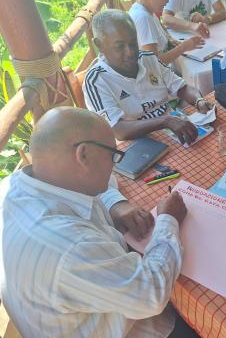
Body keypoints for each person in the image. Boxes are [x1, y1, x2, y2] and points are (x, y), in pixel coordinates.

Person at [0, 107, 192, 337]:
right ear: (83, 155)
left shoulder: (27, 182)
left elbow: (103, 182)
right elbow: (152, 293)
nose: (114, 164)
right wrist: (168, 219)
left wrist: (116, 205)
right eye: (113, 155)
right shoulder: (71, 246)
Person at [82, 9, 213, 143]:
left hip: (172, 132)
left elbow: (181, 87)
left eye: (133, 42)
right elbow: (119, 130)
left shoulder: (148, 59)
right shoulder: (96, 81)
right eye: (119, 47)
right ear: (99, 45)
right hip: (136, 145)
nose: (130, 52)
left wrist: (199, 101)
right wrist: (165, 121)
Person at [129, 0, 205, 64]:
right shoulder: (143, 18)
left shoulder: (147, 11)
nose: (168, 0)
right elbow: (155, 64)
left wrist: (172, 42)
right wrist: (183, 47)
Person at [162, 0, 226, 38]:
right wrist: (192, 26)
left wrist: (206, 19)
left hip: (203, 36)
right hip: (180, 38)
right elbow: (165, 18)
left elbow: (223, 12)